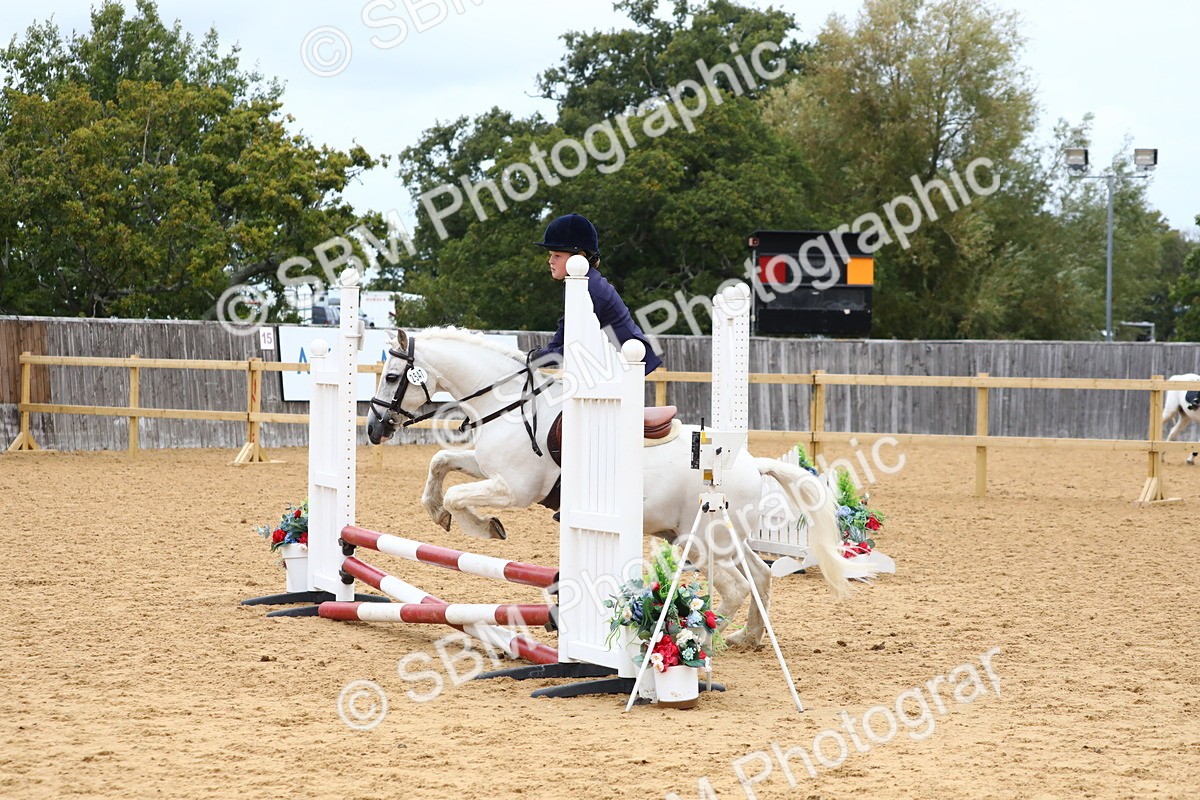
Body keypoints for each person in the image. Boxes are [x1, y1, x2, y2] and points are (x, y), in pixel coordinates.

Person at [528, 213, 663, 375]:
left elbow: (579, 343)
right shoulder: (580, 282)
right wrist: (545, 352)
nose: (550, 261)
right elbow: (567, 325)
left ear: (580, 257)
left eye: (557, 255)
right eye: (551, 255)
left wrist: (539, 357)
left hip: (624, 367)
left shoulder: (590, 289)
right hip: (610, 363)